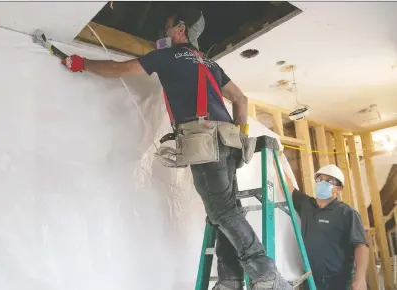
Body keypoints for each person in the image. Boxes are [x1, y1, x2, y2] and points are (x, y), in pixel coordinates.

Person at [63, 8, 292, 290]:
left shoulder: (168, 56)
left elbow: (120, 69)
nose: (164, 34)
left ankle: (266, 275)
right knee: (225, 211)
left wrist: (82, 63)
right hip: (229, 142)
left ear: (181, 30)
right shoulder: (208, 62)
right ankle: (230, 281)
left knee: (222, 213)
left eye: (168, 27)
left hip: (205, 142)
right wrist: (241, 135)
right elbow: (240, 100)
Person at [279, 164, 369, 290]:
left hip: (338, 283)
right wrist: (275, 158)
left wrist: (360, 278)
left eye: (329, 181)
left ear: (339, 188)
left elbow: (361, 245)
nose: (322, 183)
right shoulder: (306, 205)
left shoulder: (347, 213)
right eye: (320, 179)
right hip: (310, 281)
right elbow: (286, 187)